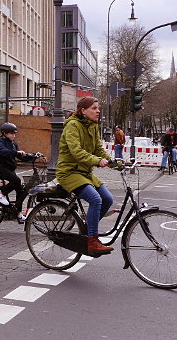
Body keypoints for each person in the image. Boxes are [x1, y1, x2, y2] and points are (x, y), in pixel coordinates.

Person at [57, 96, 114, 255]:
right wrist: (97, 161)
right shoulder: (72, 126)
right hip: (69, 172)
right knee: (96, 199)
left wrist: (113, 161)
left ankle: (87, 232)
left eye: (98, 108)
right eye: (94, 108)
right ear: (83, 110)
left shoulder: (93, 126)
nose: (98, 112)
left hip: (85, 173)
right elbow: (77, 152)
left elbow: (98, 149)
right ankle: (92, 241)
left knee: (107, 199)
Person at [0, 122, 35, 223]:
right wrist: (15, 152)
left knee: (21, 190)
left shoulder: (13, 143)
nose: (13, 135)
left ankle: (18, 213)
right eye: (11, 133)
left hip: (10, 169)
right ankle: (0, 193)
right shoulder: (0, 142)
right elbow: (3, 152)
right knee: (16, 180)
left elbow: (21, 156)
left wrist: (33, 156)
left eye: (14, 133)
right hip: (1, 168)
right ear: (4, 133)